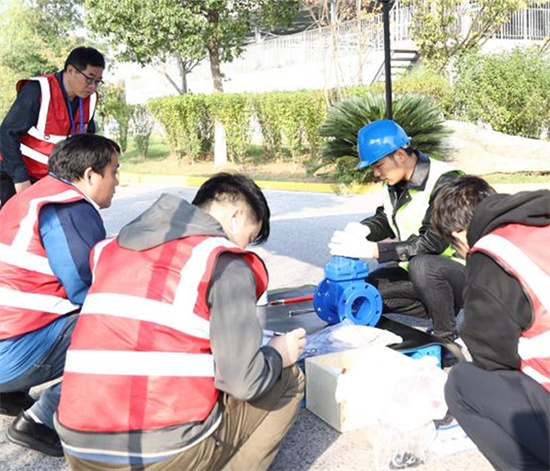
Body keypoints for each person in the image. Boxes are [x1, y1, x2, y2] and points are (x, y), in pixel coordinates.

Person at [55, 173, 306, 471]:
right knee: (289, 377)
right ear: (236, 217)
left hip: (77, 446)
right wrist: (277, 354)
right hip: (161, 454)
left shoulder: (110, 249)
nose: (245, 247)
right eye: (249, 238)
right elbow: (243, 382)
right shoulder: (223, 260)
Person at [0, 134, 120, 457]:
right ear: (91, 175)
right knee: (121, 325)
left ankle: (8, 394)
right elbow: (85, 288)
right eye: (114, 172)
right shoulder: (68, 208)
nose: (117, 182)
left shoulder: (35, 195)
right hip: (9, 356)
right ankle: (39, 422)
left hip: (6, 347)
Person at [431, 175, 550, 471]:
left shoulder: (495, 253)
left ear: (459, 235)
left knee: (463, 383)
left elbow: (491, 356)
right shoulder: (540, 222)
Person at [329, 119, 465, 342]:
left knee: (423, 265)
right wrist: (364, 228)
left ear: (400, 155)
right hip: (418, 270)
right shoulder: (394, 183)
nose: (376, 173)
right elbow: (385, 218)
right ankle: (437, 305)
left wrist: (374, 250)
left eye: (378, 165)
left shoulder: (446, 181)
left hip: (459, 272)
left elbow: (433, 242)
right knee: (365, 291)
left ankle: (446, 336)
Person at [0, 46, 105, 207]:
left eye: (98, 81)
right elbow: (7, 133)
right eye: (89, 79)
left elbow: (86, 143)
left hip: (54, 178)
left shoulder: (90, 100)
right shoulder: (37, 90)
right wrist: (20, 180)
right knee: (19, 220)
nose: (93, 87)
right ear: (70, 70)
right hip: (17, 174)